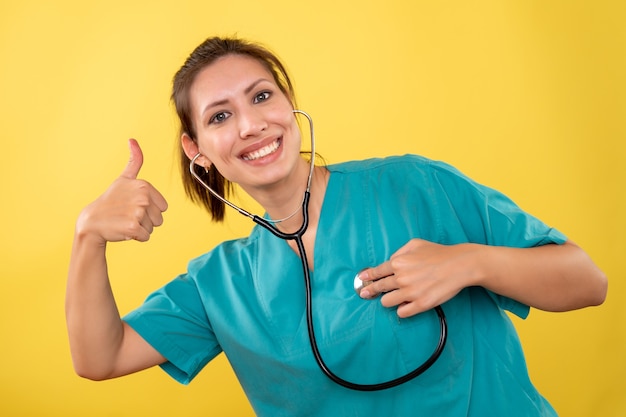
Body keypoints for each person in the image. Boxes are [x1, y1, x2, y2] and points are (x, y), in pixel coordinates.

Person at [65, 36, 607, 416]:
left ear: (289, 104)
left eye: (261, 96)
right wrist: (88, 237)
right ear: (196, 151)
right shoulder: (220, 285)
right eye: (220, 116)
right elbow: (100, 357)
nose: (252, 124)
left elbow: (588, 281)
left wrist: (472, 262)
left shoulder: (413, 185)